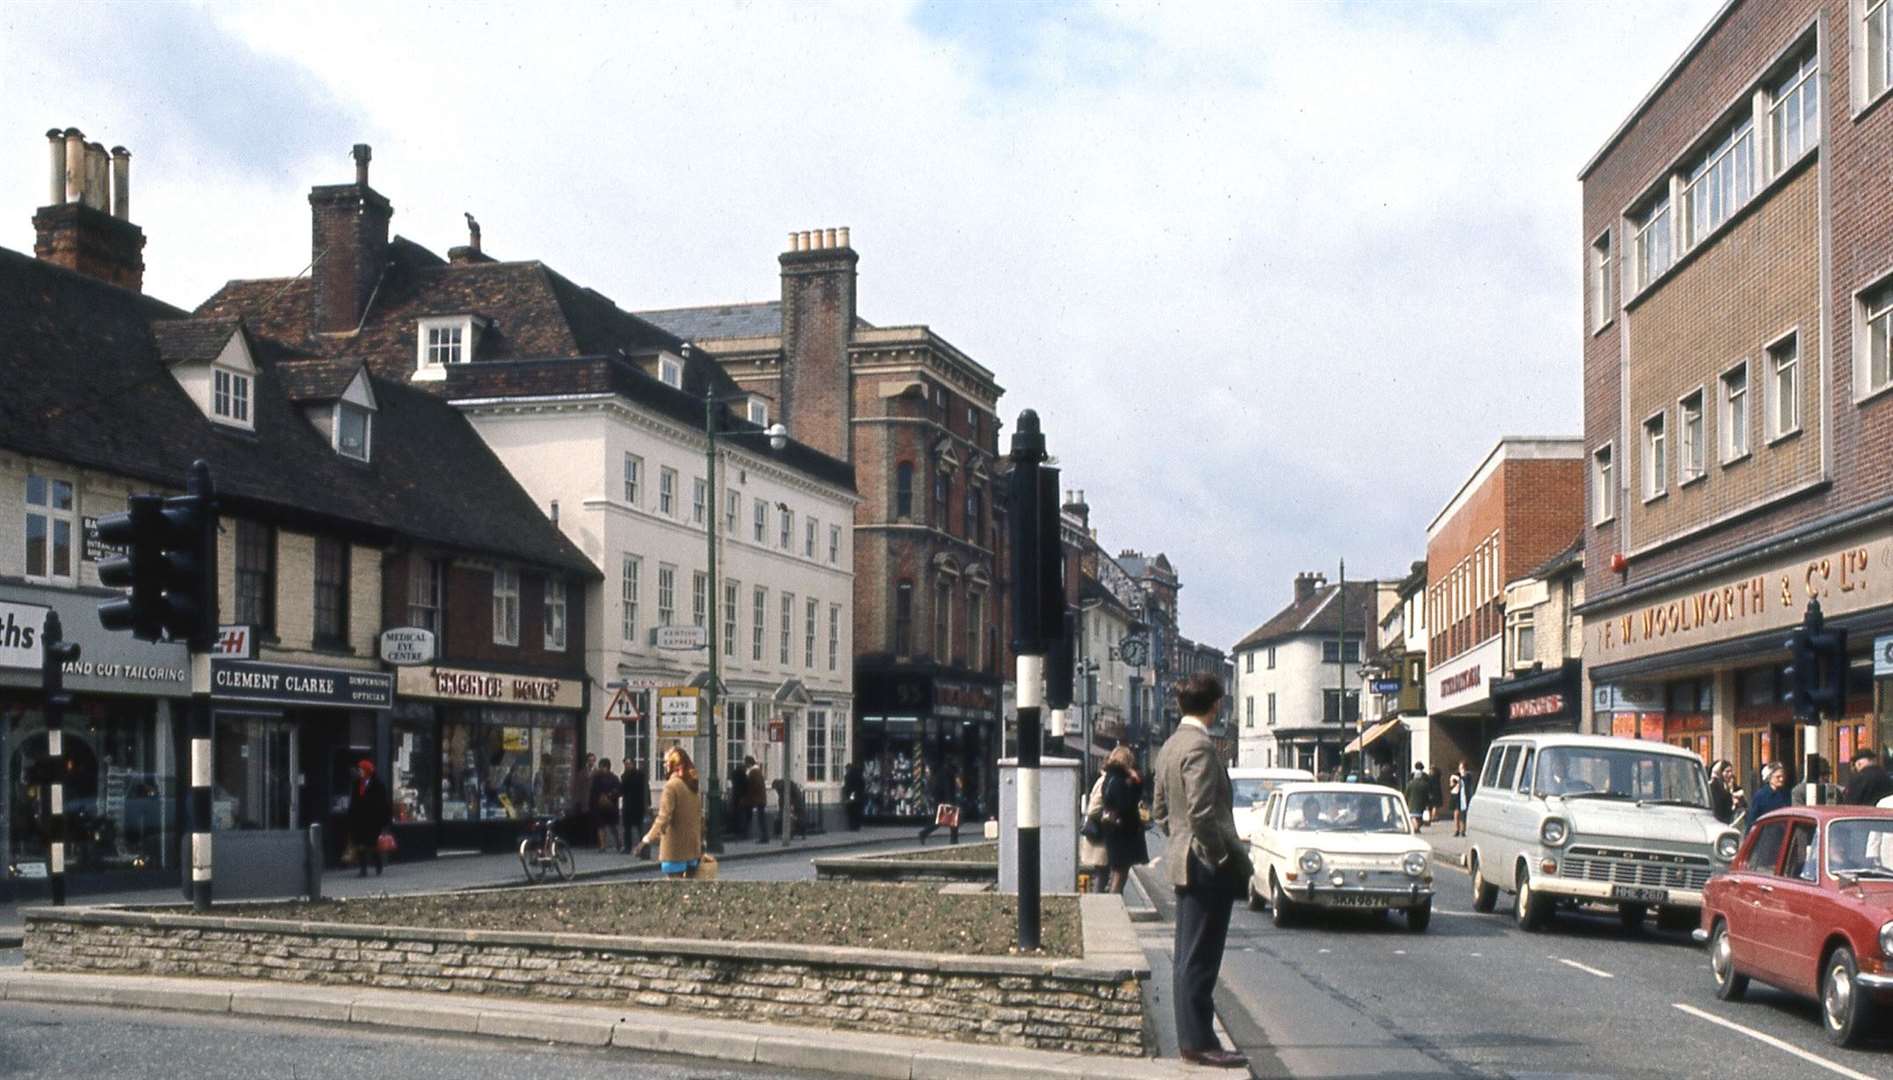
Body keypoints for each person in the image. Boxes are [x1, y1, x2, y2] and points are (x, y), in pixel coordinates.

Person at [1151, 672, 1249, 1070]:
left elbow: (1160, 811)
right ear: (1215, 705)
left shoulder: (1170, 746)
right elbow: (1203, 812)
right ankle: (1199, 1043)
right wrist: (1218, 856)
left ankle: (1195, 1038)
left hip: (1182, 859)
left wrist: (1178, 841)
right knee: (1202, 956)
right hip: (1205, 862)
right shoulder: (1202, 748)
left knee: (1187, 954)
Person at [638, 746, 703, 878]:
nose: (664, 765)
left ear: (673, 765)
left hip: (675, 848)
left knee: (675, 888)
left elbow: (664, 817)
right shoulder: (692, 785)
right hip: (693, 846)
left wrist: (647, 839)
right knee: (690, 890)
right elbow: (698, 815)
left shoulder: (671, 786)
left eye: (666, 762)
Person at [1101, 746, 1150, 895]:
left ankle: (1114, 903)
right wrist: (1135, 784)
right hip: (1122, 833)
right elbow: (1126, 804)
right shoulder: (1119, 780)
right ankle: (1113, 907)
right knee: (1119, 874)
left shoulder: (1109, 777)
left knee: (1117, 871)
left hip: (1113, 831)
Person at [344, 759, 392, 878]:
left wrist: (383, 820)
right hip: (359, 820)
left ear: (367, 771)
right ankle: (363, 869)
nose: (359, 772)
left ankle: (378, 863)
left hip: (373, 820)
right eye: (359, 770)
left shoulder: (378, 784)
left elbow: (383, 803)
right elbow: (354, 801)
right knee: (360, 845)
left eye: (361, 770)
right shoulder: (357, 784)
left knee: (372, 845)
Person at [1078, 768, 1110, 892]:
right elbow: (1094, 809)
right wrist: (1108, 816)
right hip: (1099, 835)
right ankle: (1097, 904)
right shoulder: (1105, 782)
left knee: (1101, 873)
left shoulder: (1104, 780)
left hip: (1099, 836)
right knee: (1101, 874)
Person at [917, 761, 960, 844]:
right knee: (948, 821)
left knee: (946, 821)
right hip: (946, 801)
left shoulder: (942, 773)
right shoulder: (948, 774)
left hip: (940, 800)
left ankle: (924, 833)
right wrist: (950, 801)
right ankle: (953, 839)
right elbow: (948, 789)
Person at [1747, 762, 1791, 835]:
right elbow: (1753, 819)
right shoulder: (1761, 796)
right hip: (1765, 835)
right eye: (1778, 777)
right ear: (1769, 778)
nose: (1781, 779)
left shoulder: (1786, 794)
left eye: (1783, 776)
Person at [591, 757, 623, 852]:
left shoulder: (614, 778)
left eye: (603, 767)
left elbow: (619, 791)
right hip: (600, 806)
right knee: (601, 826)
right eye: (600, 767)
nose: (601, 769)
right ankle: (602, 846)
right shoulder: (597, 778)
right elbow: (593, 791)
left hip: (611, 806)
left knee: (613, 827)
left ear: (607, 767)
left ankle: (618, 844)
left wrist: (610, 795)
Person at [618, 757, 647, 852]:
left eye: (628, 764)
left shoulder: (640, 775)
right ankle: (628, 847)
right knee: (627, 828)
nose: (627, 766)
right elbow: (622, 790)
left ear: (632, 764)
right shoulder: (624, 776)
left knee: (640, 828)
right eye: (625, 764)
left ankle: (643, 847)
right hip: (628, 805)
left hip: (638, 805)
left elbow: (646, 789)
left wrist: (647, 803)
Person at [743, 756, 769, 844]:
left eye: (746, 763)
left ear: (749, 763)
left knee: (761, 818)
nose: (745, 764)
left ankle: (764, 837)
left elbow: (754, 786)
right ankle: (763, 836)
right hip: (759, 798)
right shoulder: (756, 771)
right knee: (760, 818)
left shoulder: (754, 772)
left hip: (758, 799)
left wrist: (750, 796)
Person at [1709, 758, 1736, 824]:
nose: (1730, 774)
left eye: (1731, 771)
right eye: (1727, 772)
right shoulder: (1715, 786)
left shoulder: (1734, 786)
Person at [1449, 761, 1472, 837]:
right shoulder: (1456, 775)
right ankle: (1457, 829)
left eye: (1462, 768)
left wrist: (1460, 778)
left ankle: (1463, 830)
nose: (1461, 769)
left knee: (1463, 814)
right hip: (1456, 795)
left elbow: (1467, 783)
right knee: (1456, 813)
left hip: (1464, 796)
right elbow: (1451, 784)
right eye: (1460, 768)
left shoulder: (1468, 775)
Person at [842, 761, 867, 831]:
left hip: (853, 796)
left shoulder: (848, 776)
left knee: (852, 812)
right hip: (859, 796)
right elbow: (863, 785)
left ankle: (853, 826)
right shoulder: (859, 775)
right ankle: (857, 826)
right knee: (857, 812)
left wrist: (850, 797)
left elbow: (849, 787)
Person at [1405, 764, 1430, 831]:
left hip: (1412, 802)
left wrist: (1406, 800)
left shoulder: (1410, 783)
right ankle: (1417, 828)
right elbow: (1427, 794)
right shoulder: (1424, 784)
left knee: (1413, 816)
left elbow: (1407, 793)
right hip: (1421, 802)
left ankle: (1416, 827)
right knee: (1419, 816)